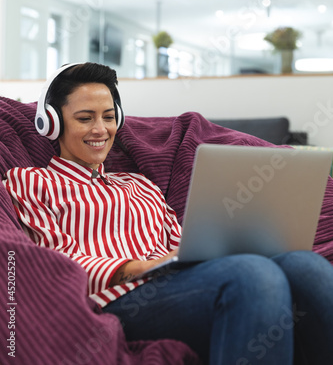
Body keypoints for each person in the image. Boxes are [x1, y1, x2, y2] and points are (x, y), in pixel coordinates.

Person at [3, 62, 333, 365]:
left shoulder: (140, 183)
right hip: (119, 301)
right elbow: (57, 264)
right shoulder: (31, 182)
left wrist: (204, 252)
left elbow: (182, 242)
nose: (100, 129)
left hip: (179, 284)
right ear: (51, 122)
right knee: (253, 274)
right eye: (85, 118)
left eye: (108, 116)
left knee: (305, 265)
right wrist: (142, 267)